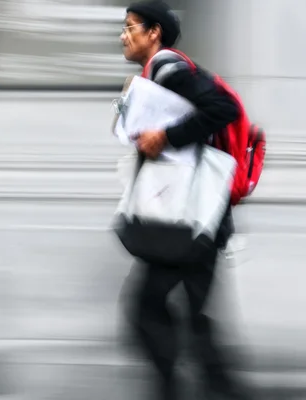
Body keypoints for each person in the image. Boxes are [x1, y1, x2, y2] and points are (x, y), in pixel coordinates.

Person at [118, 1, 249, 399]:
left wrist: (166, 137)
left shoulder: (169, 70)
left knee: (145, 308)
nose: (123, 35)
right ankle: (216, 388)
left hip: (187, 215)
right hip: (199, 216)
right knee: (193, 314)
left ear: (153, 32)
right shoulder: (158, 75)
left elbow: (222, 108)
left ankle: (170, 388)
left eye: (130, 27)